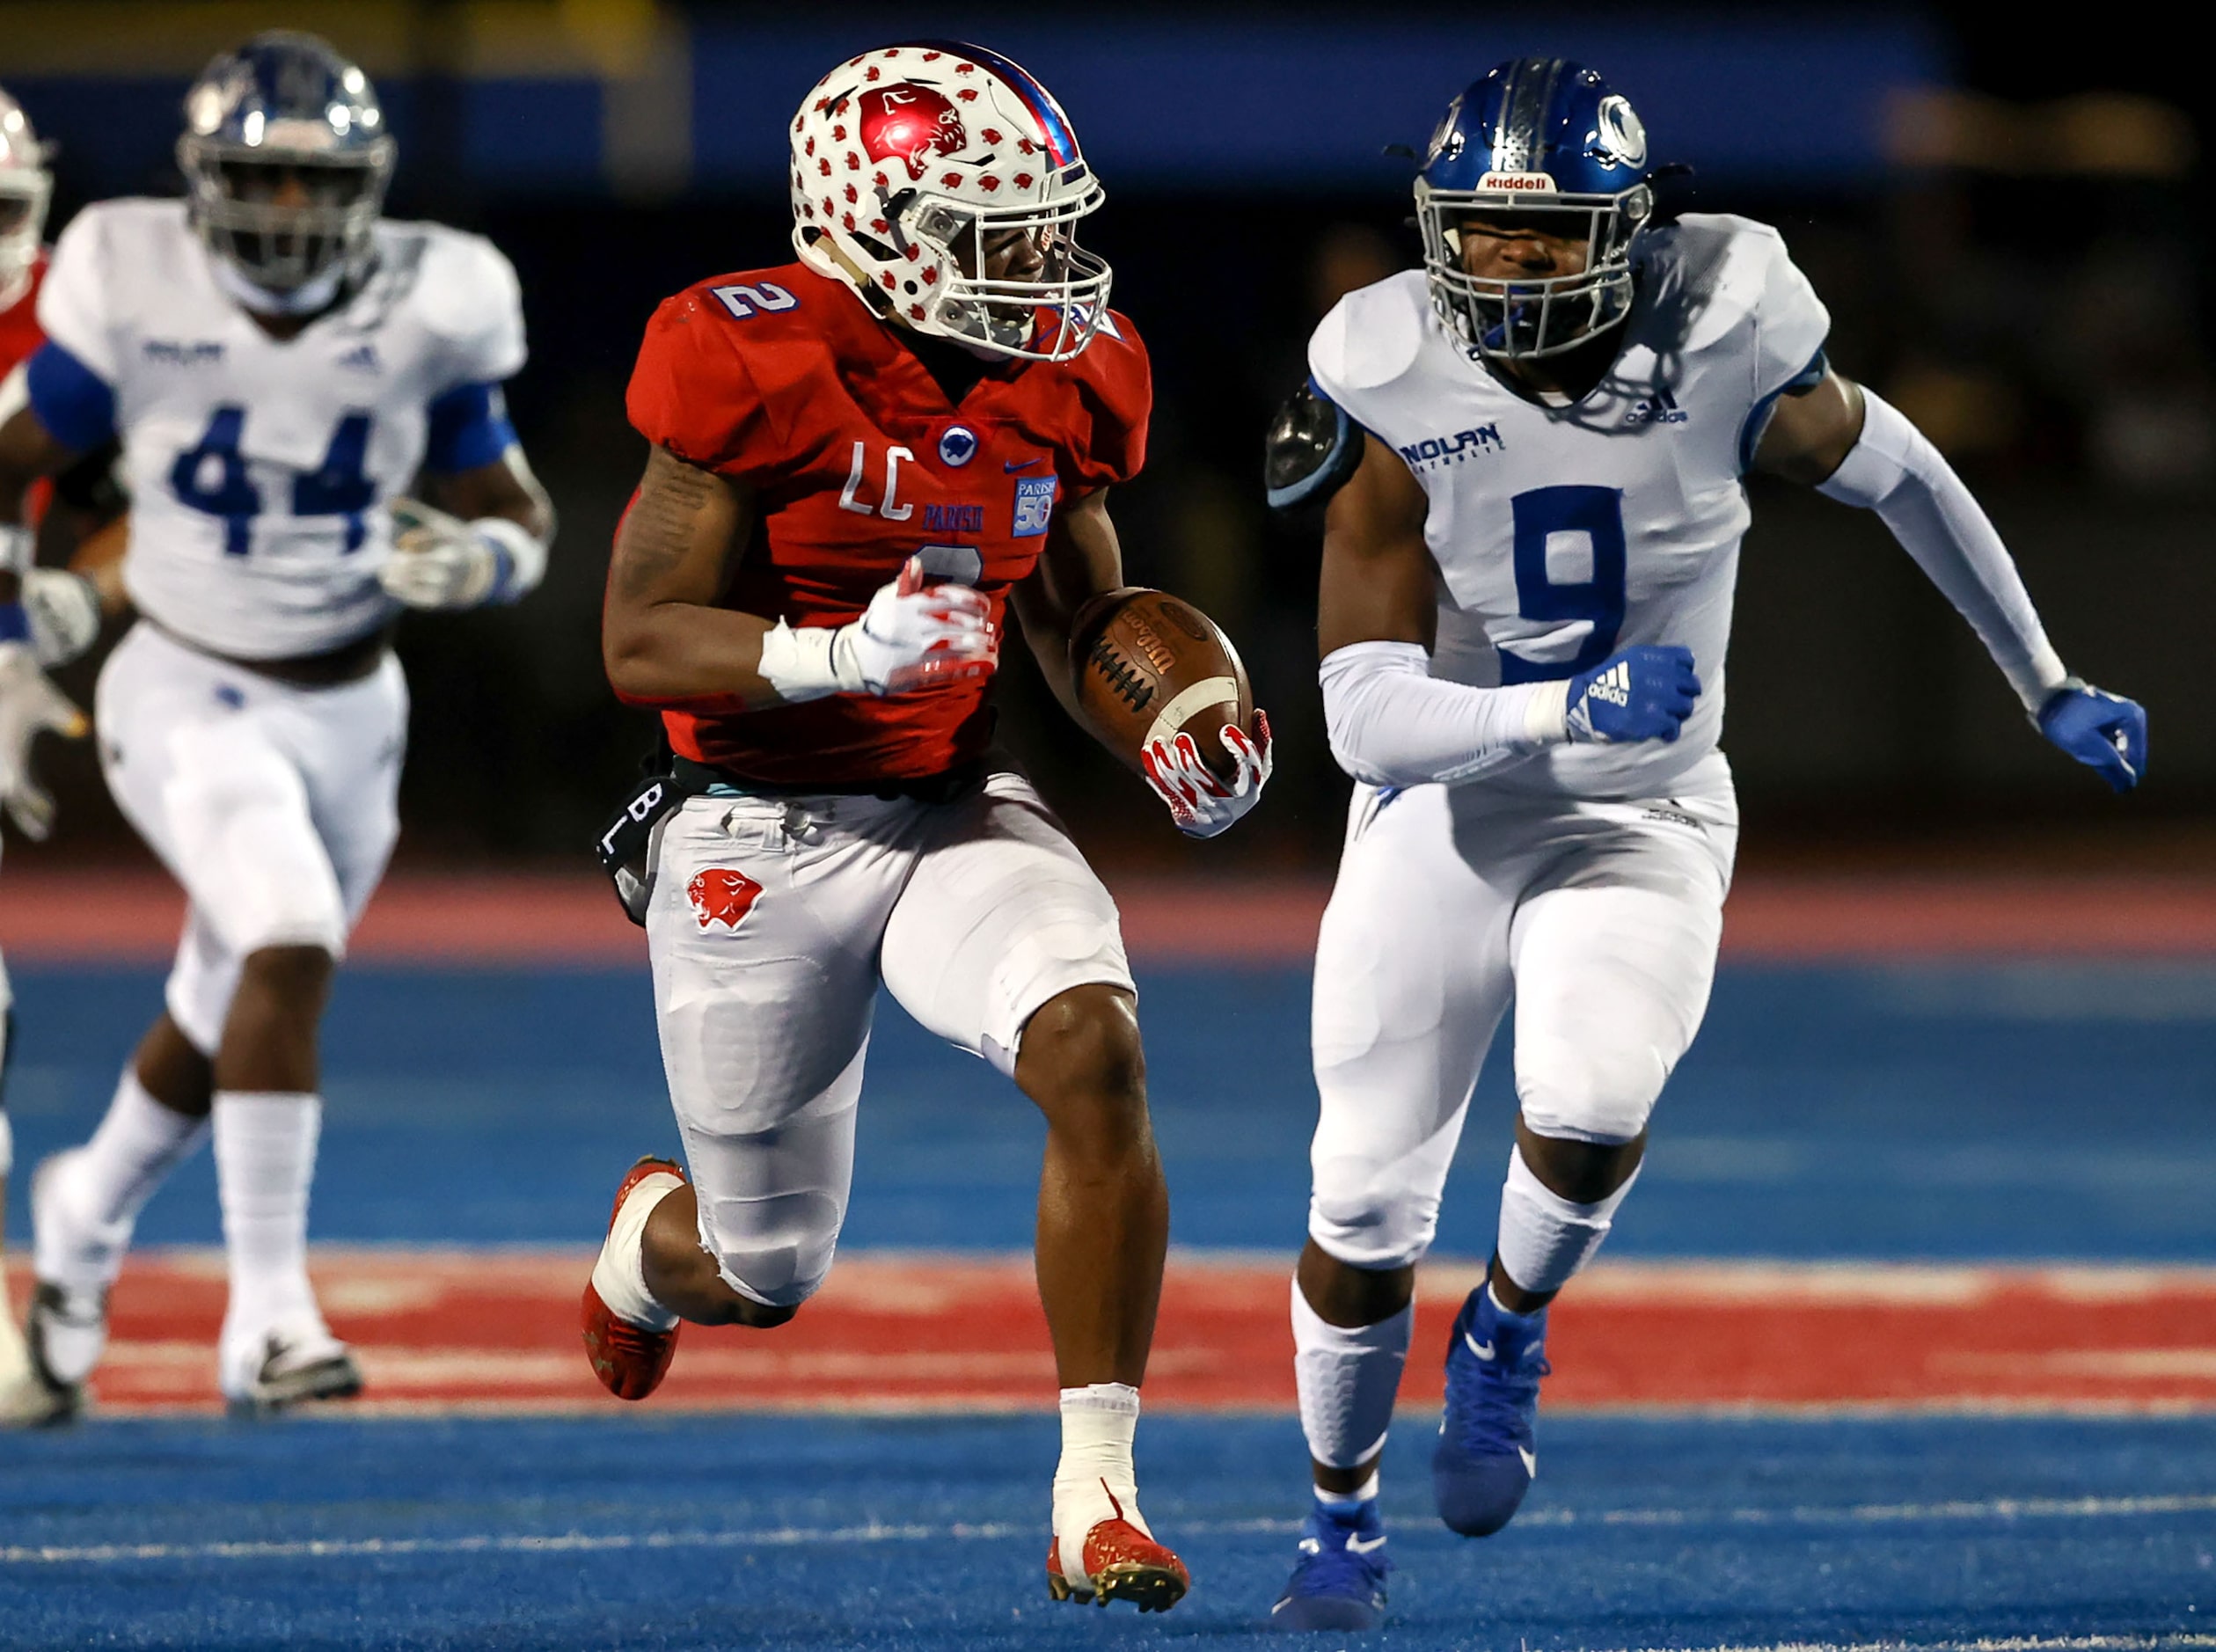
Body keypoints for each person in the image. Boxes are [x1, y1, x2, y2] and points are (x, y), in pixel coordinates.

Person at [1262, 58, 2147, 1631]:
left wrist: (2044, 679)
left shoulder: (1728, 333)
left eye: (1547, 236)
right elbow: (1360, 716)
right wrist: (1558, 707)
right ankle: (1340, 1522)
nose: (1510, 264)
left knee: (1594, 1100)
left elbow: (1906, 473)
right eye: (1479, 232)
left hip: (1650, 808)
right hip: (1445, 810)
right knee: (1362, 1198)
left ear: (1629, 230)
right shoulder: (1388, 371)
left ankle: (1509, 1329)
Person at [582, 40, 1270, 1614]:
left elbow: (1082, 610)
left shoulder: (1069, 371)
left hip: (951, 799)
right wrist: (834, 653)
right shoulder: (749, 351)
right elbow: (636, 636)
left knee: (1093, 1044)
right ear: (872, 227)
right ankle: (642, 1251)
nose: (1042, 268)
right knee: (765, 1271)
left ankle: (1097, 1497)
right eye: (996, 233)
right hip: (755, 821)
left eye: (1047, 226)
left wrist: (1182, 720)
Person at [0, 32, 554, 1423]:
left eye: (320, 187)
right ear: (204, 181)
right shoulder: (135, 285)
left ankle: (79, 1220)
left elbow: (517, 512)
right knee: (289, 933)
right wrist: (26, 619)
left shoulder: (436, 301)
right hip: (181, 685)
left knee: (227, 997)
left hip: (356, 708)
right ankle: (268, 1316)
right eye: (263, 181)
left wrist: (483, 564)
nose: (292, 215)